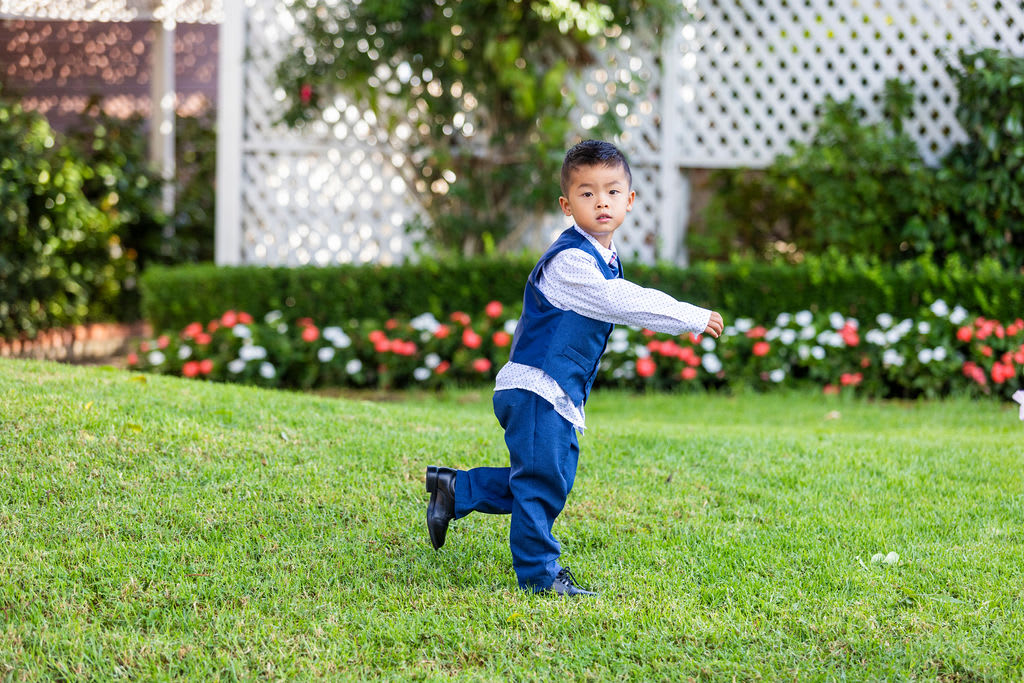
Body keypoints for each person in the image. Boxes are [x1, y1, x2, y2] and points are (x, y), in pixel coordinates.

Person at [425, 140, 725, 596]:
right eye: (587, 193)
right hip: (536, 389)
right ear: (567, 205)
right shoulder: (570, 261)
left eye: (611, 190)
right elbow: (621, 300)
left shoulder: (605, 257)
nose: (601, 201)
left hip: (557, 391)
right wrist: (690, 316)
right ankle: (540, 577)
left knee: (551, 481)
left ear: (630, 200)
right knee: (542, 483)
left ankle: (456, 490)